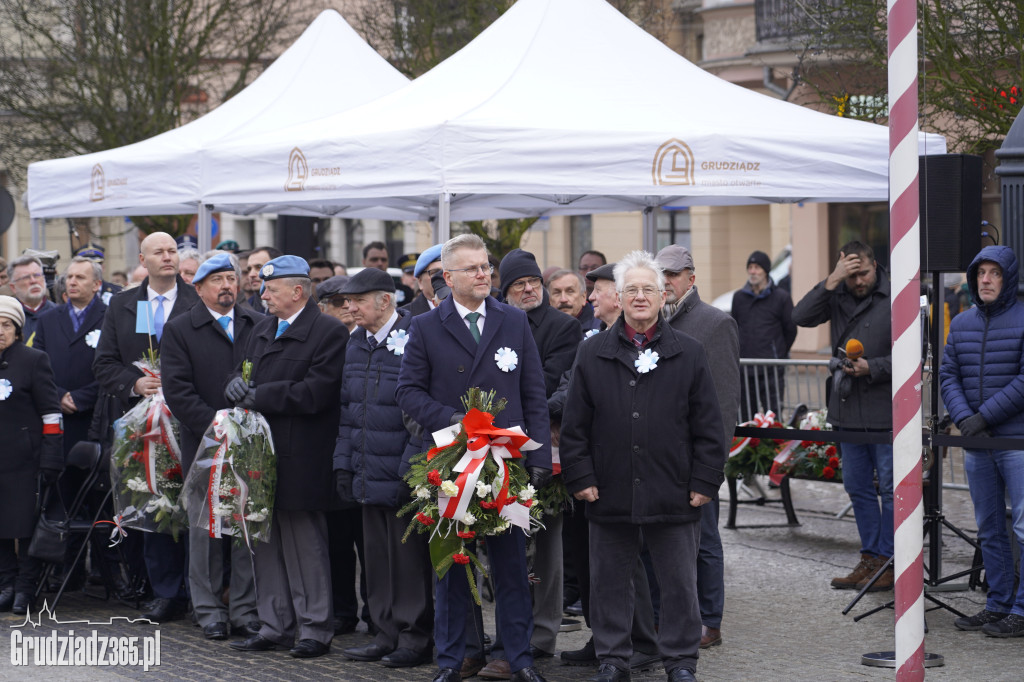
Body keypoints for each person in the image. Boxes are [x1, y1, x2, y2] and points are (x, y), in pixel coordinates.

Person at [560, 250, 726, 682]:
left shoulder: (688, 352)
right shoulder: (592, 352)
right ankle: (613, 659)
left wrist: (705, 480)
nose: (638, 296)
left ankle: (681, 662)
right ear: (617, 294)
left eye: (647, 289)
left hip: (673, 488)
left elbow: (709, 424)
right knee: (610, 582)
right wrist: (581, 477)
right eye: (630, 288)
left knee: (678, 585)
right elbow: (575, 425)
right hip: (609, 488)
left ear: (662, 295)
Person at [397, 234, 551, 682]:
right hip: (449, 466)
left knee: (512, 567)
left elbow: (534, 392)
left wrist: (538, 453)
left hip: (508, 463)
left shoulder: (513, 321)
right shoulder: (427, 326)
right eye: (474, 269)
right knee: (450, 566)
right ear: (448, 277)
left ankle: (520, 659)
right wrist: (455, 421)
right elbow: (406, 391)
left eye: (487, 267)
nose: (485, 275)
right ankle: (450, 660)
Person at [225, 255, 348, 659]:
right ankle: (274, 623)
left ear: (298, 292)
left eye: (271, 289)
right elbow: (242, 371)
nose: (262, 295)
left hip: (303, 455)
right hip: (260, 453)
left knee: (305, 545)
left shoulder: (328, 332)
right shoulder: (262, 328)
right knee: (265, 541)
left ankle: (314, 628)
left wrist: (261, 396)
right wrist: (235, 387)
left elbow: (317, 392)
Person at [474, 249, 581, 678]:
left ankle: (541, 636)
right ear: (506, 290)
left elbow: (554, 383)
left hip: (543, 451)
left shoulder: (563, 327)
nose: (529, 289)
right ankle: (508, 635)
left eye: (533, 281)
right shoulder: (496, 323)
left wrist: (523, 420)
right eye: (519, 284)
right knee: (505, 547)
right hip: (495, 451)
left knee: (547, 549)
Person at [92, 231, 200, 621]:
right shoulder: (122, 304)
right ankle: (166, 591)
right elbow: (104, 363)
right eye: (160, 252)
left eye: (173, 251)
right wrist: (134, 383)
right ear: (143, 259)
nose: (168, 257)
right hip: (144, 423)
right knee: (156, 504)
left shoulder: (196, 299)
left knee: (193, 502)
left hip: (190, 419)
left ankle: (199, 590)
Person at [160, 252, 263, 641]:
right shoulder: (181, 329)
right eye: (217, 280)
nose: (226, 286)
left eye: (231, 279)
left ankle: (244, 607)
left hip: (250, 444)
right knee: (204, 530)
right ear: (198, 288)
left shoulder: (257, 323)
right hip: (204, 443)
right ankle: (207, 609)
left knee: (245, 527)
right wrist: (218, 426)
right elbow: (178, 391)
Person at [334, 268, 434, 668]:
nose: (349, 308)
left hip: (401, 469)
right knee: (376, 558)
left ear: (385, 301)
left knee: (408, 559)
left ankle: (415, 636)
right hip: (364, 469)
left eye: (357, 301)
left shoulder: (416, 337)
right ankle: (384, 632)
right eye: (346, 302)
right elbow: (347, 409)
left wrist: (409, 469)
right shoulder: (355, 343)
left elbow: (421, 410)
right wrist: (343, 464)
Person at [792, 241, 893, 591]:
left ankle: (891, 561)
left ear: (875, 265)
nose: (859, 281)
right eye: (852, 275)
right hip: (848, 410)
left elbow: (916, 356)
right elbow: (800, 317)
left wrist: (874, 368)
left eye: (863, 272)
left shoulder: (896, 295)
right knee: (858, 489)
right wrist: (832, 279)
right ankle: (870, 559)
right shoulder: (838, 291)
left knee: (893, 491)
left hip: (887, 411)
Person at [656, 245, 740, 650]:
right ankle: (668, 616)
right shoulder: (652, 321)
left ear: (691, 277)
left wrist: (711, 467)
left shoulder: (714, 323)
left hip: (696, 459)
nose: (667, 282)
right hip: (659, 457)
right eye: (662, 275)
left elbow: (724, 406)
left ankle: (710, 619)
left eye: (674, 274)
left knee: (705, 541)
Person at [939, 245, 1024, 637]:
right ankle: (998, 603)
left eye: (994, 273)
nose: (986, 280)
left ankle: (1021, 611)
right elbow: (948, 375)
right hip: (978, 444)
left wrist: (983, 417)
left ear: (1007, 279)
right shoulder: (960, 323)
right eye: (980, 273)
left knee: (1022, 528)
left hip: (1015, 442)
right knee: (989, 526)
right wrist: (963, 419)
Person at [0, 296, 64, 615]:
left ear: (17, 328)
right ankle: (6, 584)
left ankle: (25, 589)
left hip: (26, 461)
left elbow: (52, 414)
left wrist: (50, 460)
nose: (0, 330)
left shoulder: (34, 360)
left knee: (25, 527)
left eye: (6, 324)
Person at [34, 257, 108, 457]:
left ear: (96, 285)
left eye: (80, 277)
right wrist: (59, 395)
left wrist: (80, 398)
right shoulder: (46, 320)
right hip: (56, 416)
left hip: (94, 417)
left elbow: (115, 366)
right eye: (70, 277)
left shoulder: (110, 318)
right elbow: (37, 369)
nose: (72, 282)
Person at [731, 250, 795, 420]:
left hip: (771, 369)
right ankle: (746, 447)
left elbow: (790, 330)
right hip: (745, 368)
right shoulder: (739, 298)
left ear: (766, 271)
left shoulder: (781, 297)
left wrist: (778, 353)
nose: (753, 271)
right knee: (745, 418)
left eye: (757, 267)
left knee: (772, 417)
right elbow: (734, 328)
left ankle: (774, 447)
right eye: (750, 267)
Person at [8, 255, 56, 344]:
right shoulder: (7, 317)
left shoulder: (60, 313)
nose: (33, 281)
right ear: (13, 287)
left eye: (37, 275)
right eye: (26, 277)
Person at [401, 245, 443, 317]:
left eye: (448, 271)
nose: (443, 277)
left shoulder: (466, 310)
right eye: (435, 272)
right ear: (420, 282)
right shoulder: (404, 317)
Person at [243, 246, 282, 312]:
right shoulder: (245, 310)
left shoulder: (292, 307)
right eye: (249, 269)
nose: (251, 274)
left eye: (258, 267)